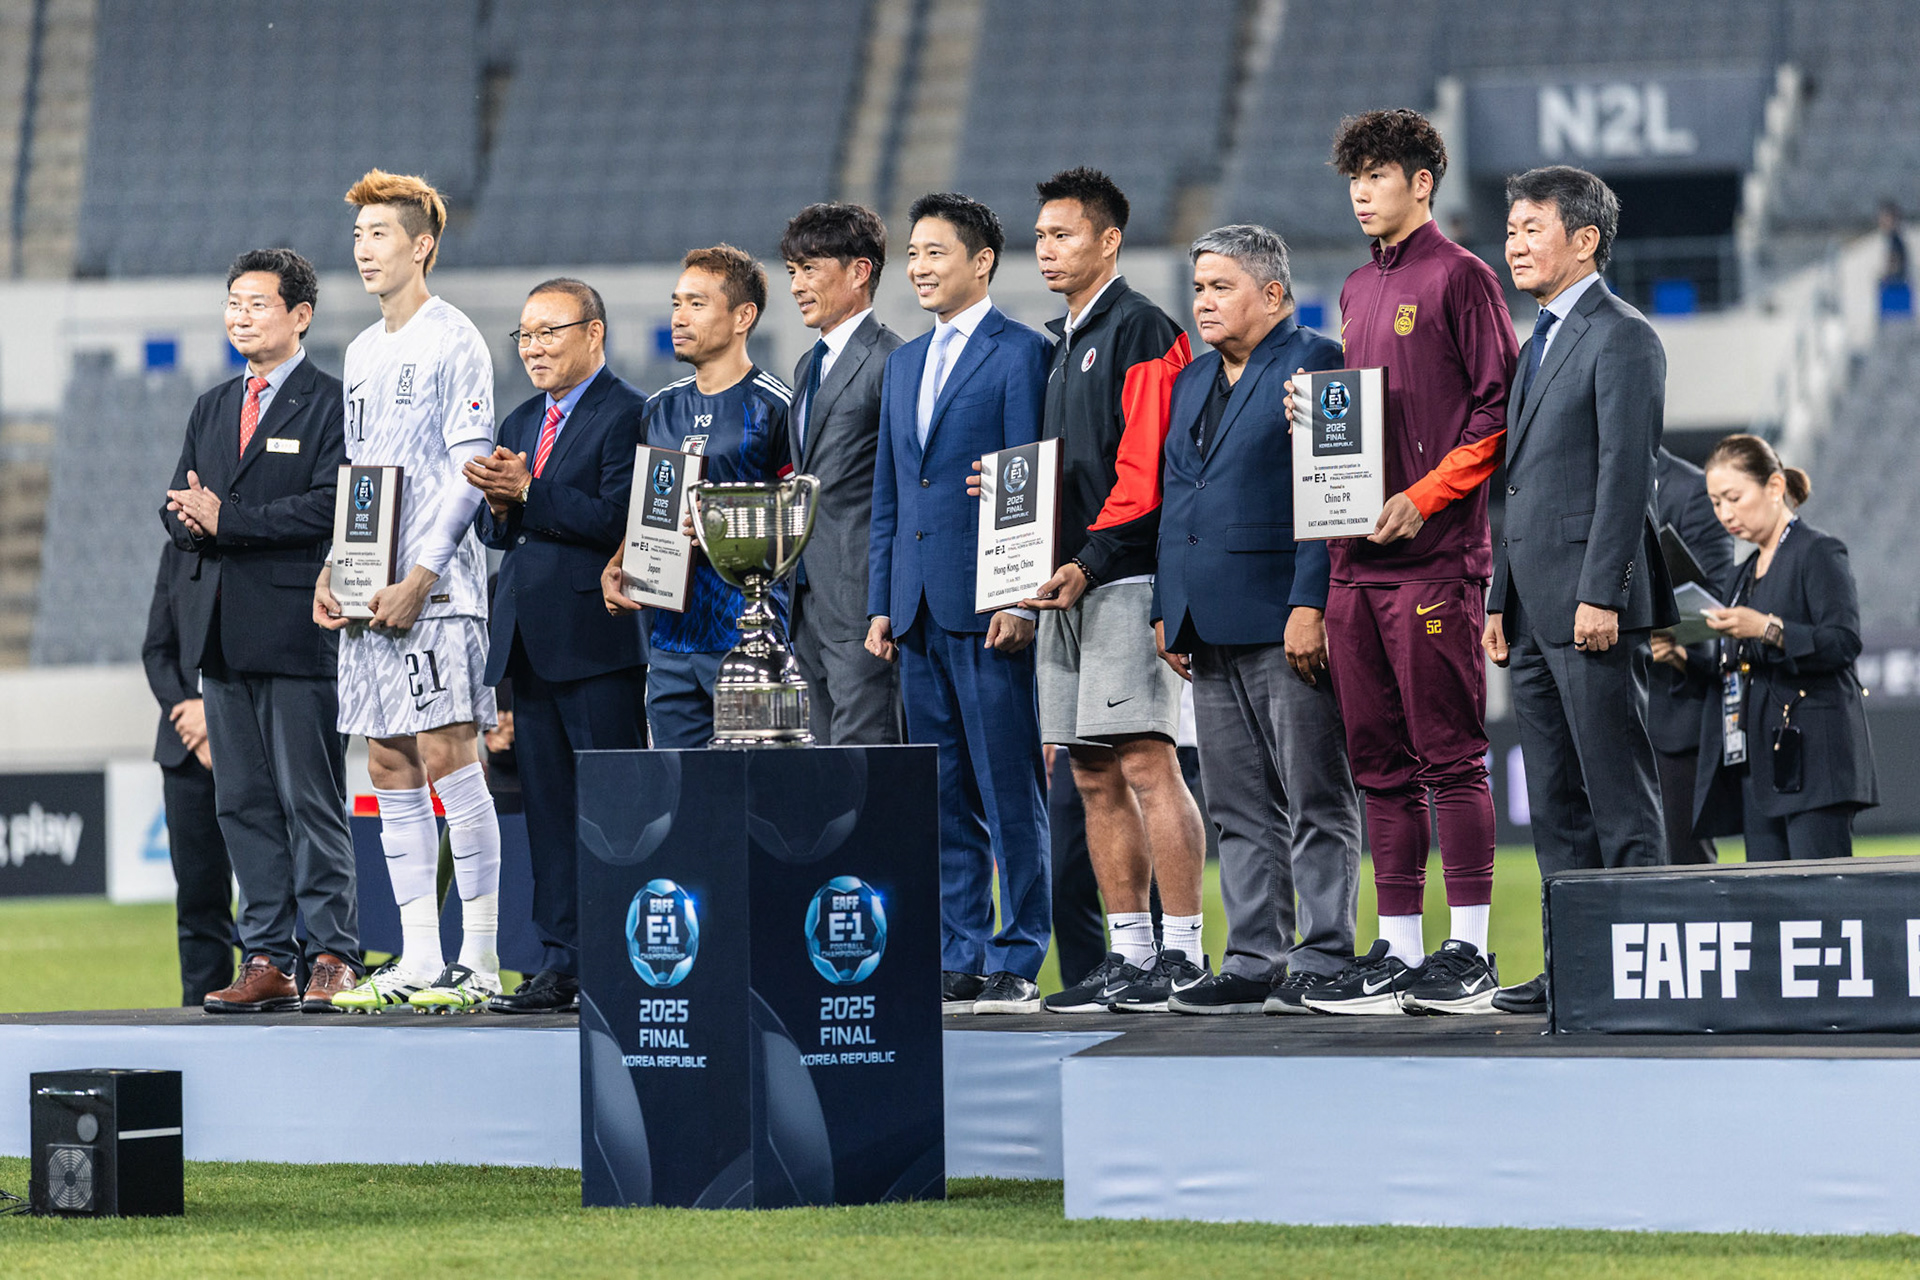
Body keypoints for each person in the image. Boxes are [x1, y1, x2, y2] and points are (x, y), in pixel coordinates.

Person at [1291, 108, 1518, 1016]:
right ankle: (1399, 951)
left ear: (1422, 183)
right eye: (1354, 178)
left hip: (1434, 560)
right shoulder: (1354, 287)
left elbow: (1498, 411)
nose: (1361, 193)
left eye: (1378, 175)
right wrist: (1313, 424)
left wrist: (1425, 494)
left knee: (1450, 758)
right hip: (1355, 563)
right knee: (1378, 767)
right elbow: (1364, 420)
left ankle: (1470, 952)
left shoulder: (1463, 276)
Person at [1006, 168, 1208, 1017]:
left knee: (1147, 763)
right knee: (1091, 772)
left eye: (1063, 235)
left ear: (1109, 240)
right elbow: (1072, 472)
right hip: (1065, 585)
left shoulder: (1142, 328)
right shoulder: (1063, 343)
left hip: (1122, 577)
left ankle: (1184, 954)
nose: (1046, 250)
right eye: (1040, 237)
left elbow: (1148, 471)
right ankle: (1129, 956)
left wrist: (1088, 561)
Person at [1149, 225, 1363, 1017]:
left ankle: (1325, 953)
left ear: (1272, 294)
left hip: (1284, 616)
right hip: (1205, 621)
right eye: (1198, 287)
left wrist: (1312, 602)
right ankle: (1253, 958)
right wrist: (1166, 606)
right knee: (1237, 807)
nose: (1203, 302)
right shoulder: (1191, 379)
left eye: (1221, 287)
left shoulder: (1320, 362)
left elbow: (1334, 492)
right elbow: (1178, 497)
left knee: (1315, 796)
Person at [1482, 166, 1673, 1015]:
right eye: (1511, 230)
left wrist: (1604, 592)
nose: (1514, 245)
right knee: (1557, 806)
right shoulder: (1538, 342)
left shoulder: (1623, 335)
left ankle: (1646, 971)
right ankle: (1576, 970)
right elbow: (1519, 487)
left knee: (1618, 797)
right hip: (1530, 611)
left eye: (1533, 229)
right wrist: (1499, 597)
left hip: (1591, 608)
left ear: (1586, 239)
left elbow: (1626, 476)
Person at [314, 170, 504, 1014]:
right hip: (372, 597)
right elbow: (361, 476)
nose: (364, 249)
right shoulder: (361, 351)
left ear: (421, 245)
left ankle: (482, 960)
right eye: (358, 235)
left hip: (438, 592)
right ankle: (421, 957)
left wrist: (420, 577)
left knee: (447, 753)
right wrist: (338, 568)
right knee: (388, 759)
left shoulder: (453, 338)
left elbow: (471, 469)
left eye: (380, 233)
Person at [866, 192, 1052, 1015]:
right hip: (914, 608)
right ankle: (961, 951)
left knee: (1009, 792)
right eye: (912, 253)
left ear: (981, 262)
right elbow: (891, 493)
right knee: (942, 797)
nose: (919, 267)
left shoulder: (1023, 353)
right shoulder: (904, 362)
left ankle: (1020, 952)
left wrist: (1020, 597)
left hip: (987, 607)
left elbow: (1028, 478)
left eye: (935, 252)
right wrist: (882, 600)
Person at [162, 246, 356, 1014]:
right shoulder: (211, 406)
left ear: (300, 315)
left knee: (312, 802)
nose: (240, 317)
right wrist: (188, 519)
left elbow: (332, 505)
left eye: (257, 304)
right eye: (233, 303)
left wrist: (227, 520)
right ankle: (269, 955)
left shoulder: (332, 402)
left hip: (297, 631)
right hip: (220, 635)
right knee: (240, 804)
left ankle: (334, 953)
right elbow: (180, 502)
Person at [465, 278, 648, 1014]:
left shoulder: (629, 413)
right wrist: (497, 504)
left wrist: (527, 493)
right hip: (528, 644)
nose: (533, 348)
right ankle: (559, 961)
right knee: (546, 814)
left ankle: (626, 957)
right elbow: (498, 532)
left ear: (593, 333)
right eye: (525, 335)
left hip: (597, 642)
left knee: (615, 812)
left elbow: (620, 519)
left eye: (549, 332)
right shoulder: (519, 418)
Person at [606, 245, 792, 749]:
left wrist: (725, 527)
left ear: (743, 316)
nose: (679, 317)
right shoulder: (658, 410)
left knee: (755, 787)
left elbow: (803, 521)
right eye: (676, 303)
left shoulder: (777, 408)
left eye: (696, 303)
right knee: (679, 792)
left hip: (748, 640)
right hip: (669, 644)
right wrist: (618, 564)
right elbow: (648, 511)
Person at [1690, 435, 1877, 859]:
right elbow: (1738, 666)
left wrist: (1768, 629)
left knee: (1820, 892)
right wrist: (1683, 655)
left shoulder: (1818, 551)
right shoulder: (1740, 575)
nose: (1725, 514)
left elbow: (1843, 641)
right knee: (1769, 896)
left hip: (1814, 759)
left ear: (1774, 487)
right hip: (1758, 765)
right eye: (1716, 503)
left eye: (1734, 498)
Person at [779, 203, 905, 744]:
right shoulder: (807, 365)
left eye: (810, 269)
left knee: (865, 759)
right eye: (793, 271)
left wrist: (886, 603)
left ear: (859, 271)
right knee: (822, 766)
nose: (796, 286)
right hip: (805, 597)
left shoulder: (894, 360)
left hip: (862, 600)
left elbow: (903, 489)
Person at [140, 544, 236, 1006]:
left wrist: (214, 719)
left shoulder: (259, 544)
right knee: (198, 903)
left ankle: (284, 1007)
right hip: (185, 752)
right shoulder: (175, 552)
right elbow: (156, 651)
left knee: (279, 896)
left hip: (252, 740)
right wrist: (190, 715)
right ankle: (198, 1016)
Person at [1646, 446, 1736, 865]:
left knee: (1683, 860)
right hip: (1607, 701)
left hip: (1672, 700)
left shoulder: (1691, 490)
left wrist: (1657, 627)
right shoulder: (1584, 483)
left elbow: (1716, 599)